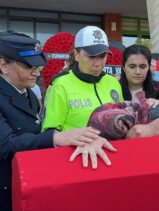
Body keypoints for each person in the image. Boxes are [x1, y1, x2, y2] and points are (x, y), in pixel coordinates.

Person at [0, 31, 110, 211]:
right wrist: (56, 138)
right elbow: (6, 145)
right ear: (3, 65)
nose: (37, 72)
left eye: (39, 66)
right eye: (29, 66)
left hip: (25, 186)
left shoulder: (29, 94)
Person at [42, 26, 123, 168]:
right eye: (91, 56)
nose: (98, 63)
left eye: (102, 56)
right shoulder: (60, 85)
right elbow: (49, 132)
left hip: (115, 157)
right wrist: (82, 141)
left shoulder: (113, 82)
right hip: (78, 162)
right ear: (76, 54)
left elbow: (122, 119)